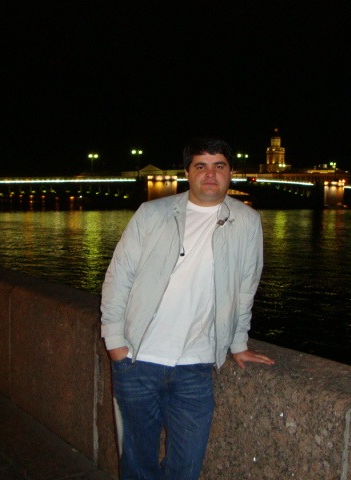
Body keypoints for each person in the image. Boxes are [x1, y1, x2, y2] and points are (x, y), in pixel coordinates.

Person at [100, 137, 275, 480]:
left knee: (186, 466)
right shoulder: (152, 213)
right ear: (187, 173)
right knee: (136, 464)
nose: (210, 174)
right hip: (138, 358)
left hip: (195, 365)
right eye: (201, 166)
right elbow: (119, 276)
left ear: (230, 173)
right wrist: (115, 342)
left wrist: (238, 343)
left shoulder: (247, 220)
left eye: (219, 166)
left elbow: (245, 287)